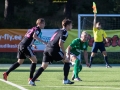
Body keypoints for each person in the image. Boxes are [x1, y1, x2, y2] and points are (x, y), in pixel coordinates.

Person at [29, 19, 74, 86]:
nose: (71, 26)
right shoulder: (65, 32)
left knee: (43, 66)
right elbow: (60, 43)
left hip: (47, 49)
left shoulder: (58, 30)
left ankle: (32, 81)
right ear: (67, 25)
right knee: (67, 61)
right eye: (71, 25)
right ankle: (65, 80)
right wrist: (64, 53)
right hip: (53, 50)